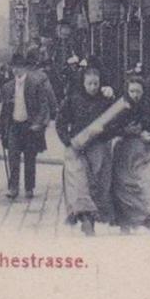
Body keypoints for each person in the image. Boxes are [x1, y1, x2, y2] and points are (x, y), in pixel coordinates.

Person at [57, 67, 117, 235]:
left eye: (95, 83)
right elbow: (60, 120)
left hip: (99, 146)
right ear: (83, 83)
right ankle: (85, 218)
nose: (93, 87)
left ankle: (93, 216)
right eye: (89, 83)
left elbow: (115, 122)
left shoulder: (105, 101)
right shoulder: (73, 100)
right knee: (79, 182)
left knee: (97, 183)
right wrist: (67, 140)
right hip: (78, 147)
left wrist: (105, 134)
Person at [0, 48, 58, 200]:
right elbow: (4, 110)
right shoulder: (8, 87)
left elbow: (43, 106)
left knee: (30, 158)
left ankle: (29, 187)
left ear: (24, 68)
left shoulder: (35, 84)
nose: (15, 70)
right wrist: (1, 129)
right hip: (14, 126)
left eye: (18, 67)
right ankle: (13, 188)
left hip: (29, 126)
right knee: (13, 157)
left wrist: (39, 124)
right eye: (13, 67)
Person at [107, 77, 150, 233]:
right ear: (127, 91)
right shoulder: (120, 107)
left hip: (147, 150)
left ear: (143, 91)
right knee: (124, 184)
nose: (135, 95)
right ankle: (125, 223)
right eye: (132, 91)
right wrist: (126, 131)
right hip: (126, 149)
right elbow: (110, 127)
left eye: (138, 91)